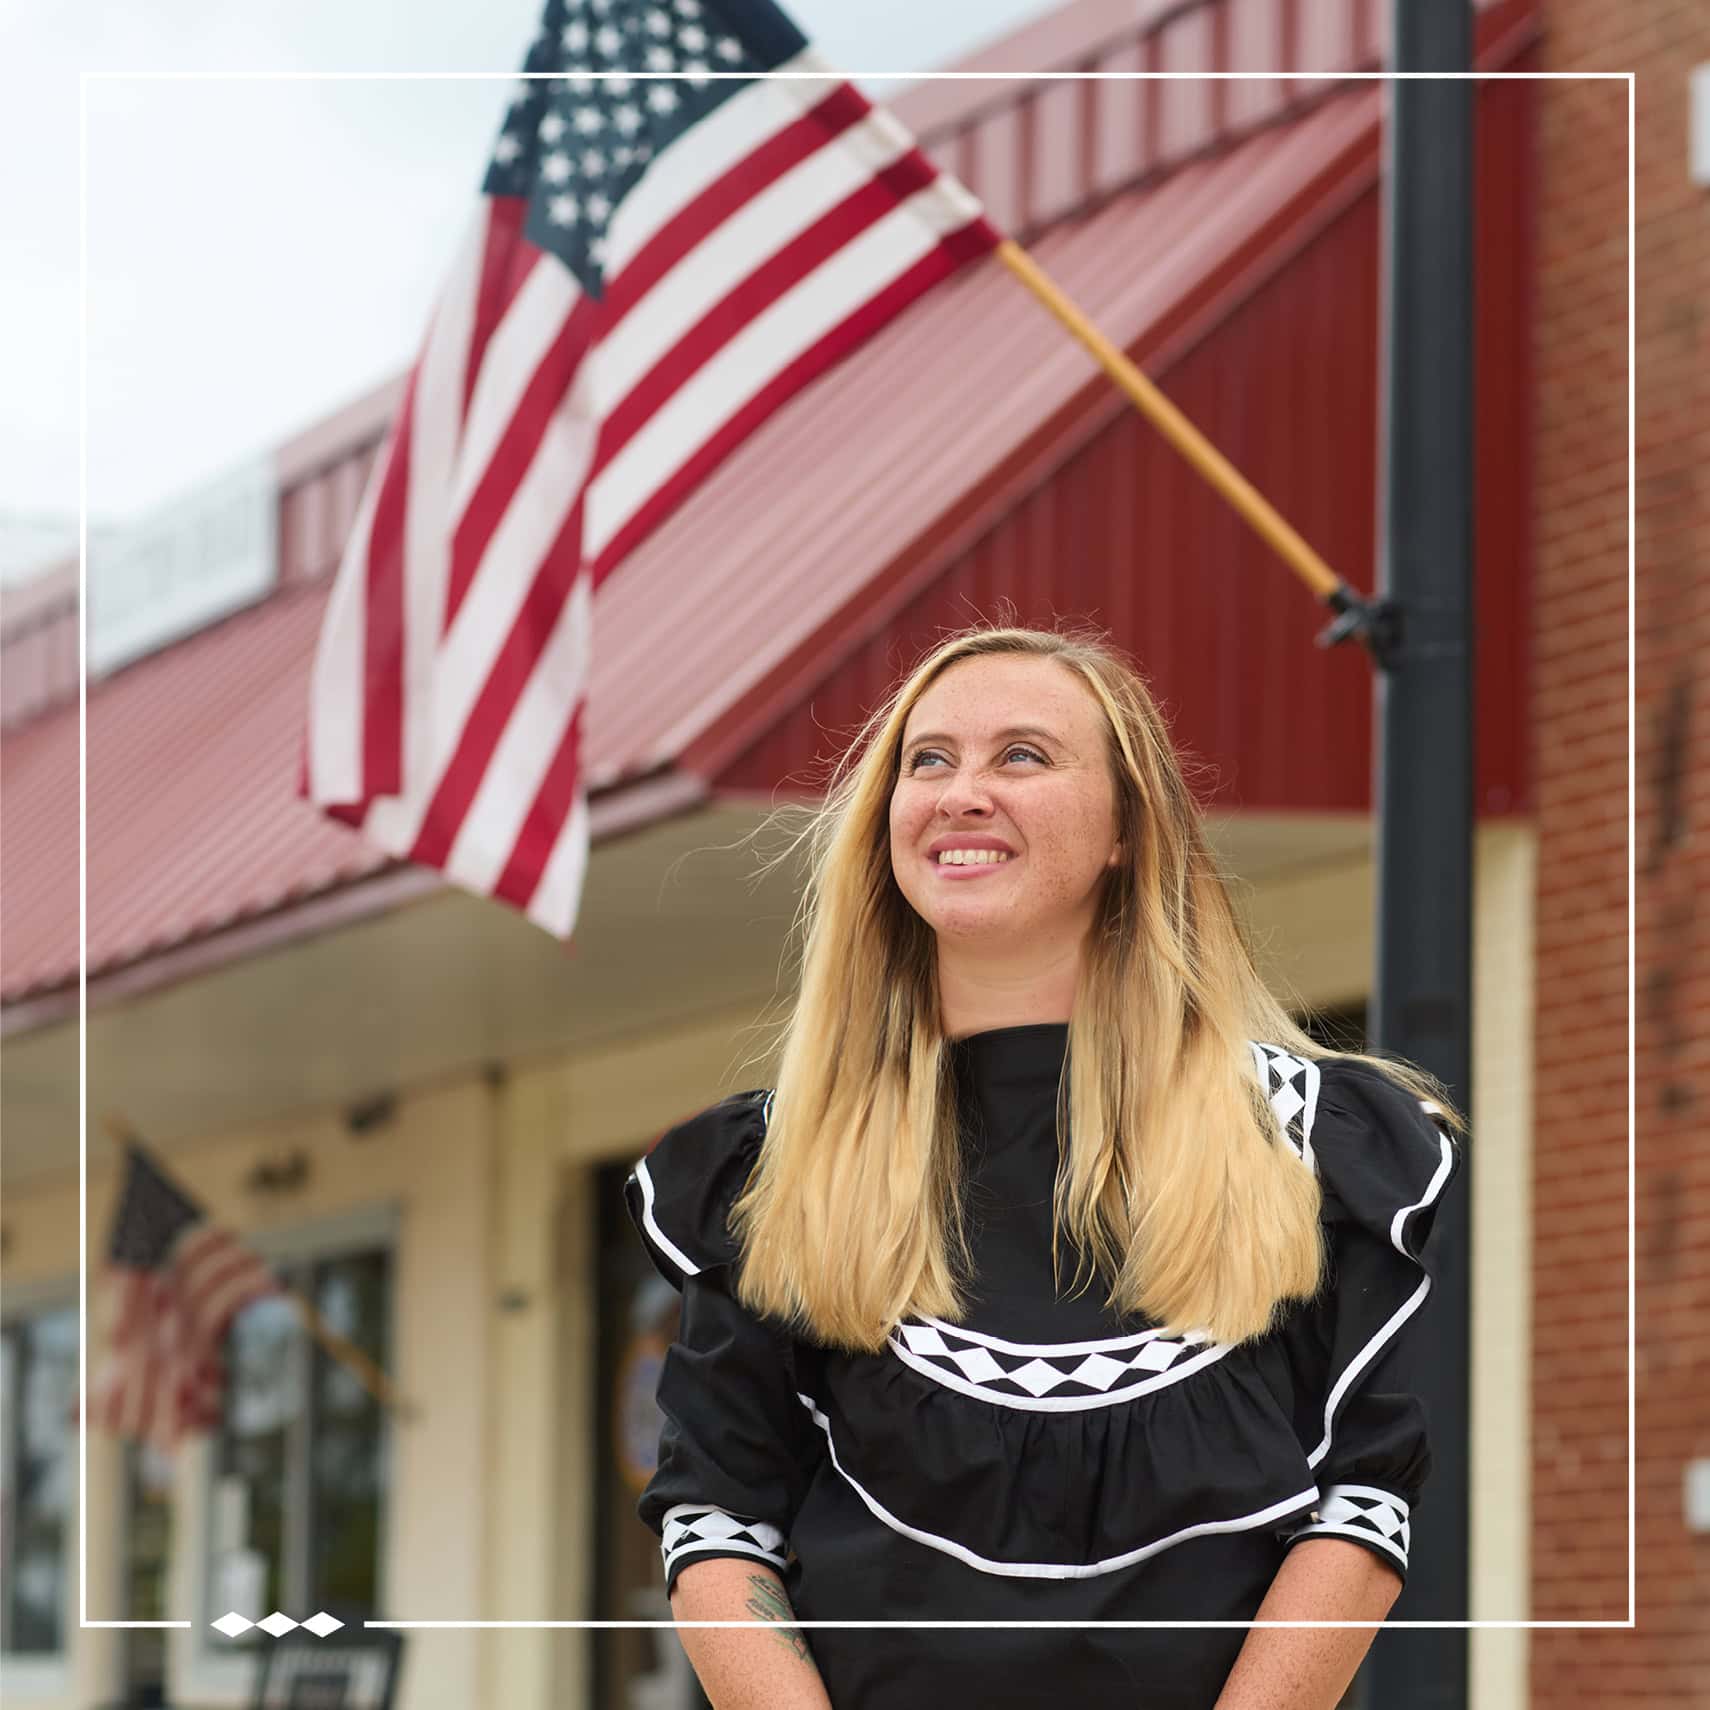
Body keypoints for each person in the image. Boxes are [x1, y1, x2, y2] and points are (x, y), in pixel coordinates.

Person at [625, 624, 1463, 1709]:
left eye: (1023, 755)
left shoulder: (1317, 1145)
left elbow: (1361, 1504)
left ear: (1128, 829)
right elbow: (720, 1526)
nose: (963, 792)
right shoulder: (771, 1169)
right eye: (929, 760)